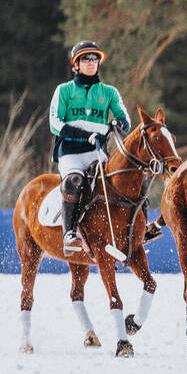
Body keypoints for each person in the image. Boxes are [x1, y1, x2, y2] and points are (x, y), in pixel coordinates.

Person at [49, 41, 131, 255]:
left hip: (97, 152)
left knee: (126, 180)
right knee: (74, 181)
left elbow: (125, 119)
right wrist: (84, 135)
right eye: (86, 58)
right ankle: (69, 234)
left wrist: (118, 124)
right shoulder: (64, 90)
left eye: (95, 58)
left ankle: (137, 230)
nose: (91, 62)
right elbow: (54, 123)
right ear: (76, 64)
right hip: (71, 153)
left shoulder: (109, 92)